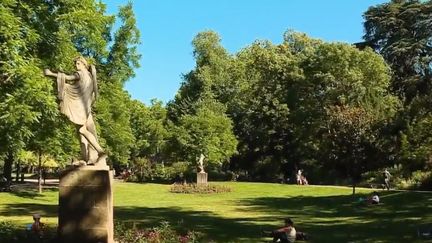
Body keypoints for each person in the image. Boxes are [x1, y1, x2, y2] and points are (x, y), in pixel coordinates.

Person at [44, 57, 106, 166]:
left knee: (82, 131)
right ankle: (88, 158)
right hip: (86, 108)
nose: (76, 66)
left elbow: (67, 77)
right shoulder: (90, 76)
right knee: (82, 133)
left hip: (80, 109)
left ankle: (101, 152)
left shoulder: (81, 74)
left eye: (78, 63)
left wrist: (51, 74)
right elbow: (93, 93)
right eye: (76, 64)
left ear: (83, 64)